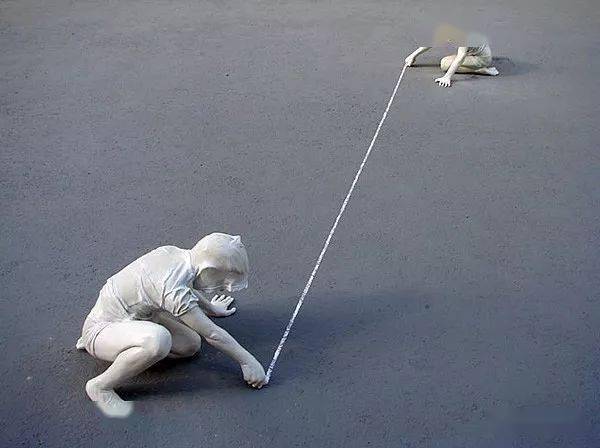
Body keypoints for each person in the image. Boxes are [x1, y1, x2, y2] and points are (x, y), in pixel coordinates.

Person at [76, 233, 266, 418]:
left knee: (190, 345)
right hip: (102, 330)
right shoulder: (172, 290)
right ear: (208, 270)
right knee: (158, 341)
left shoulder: (176, 255)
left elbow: (186, 286)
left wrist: (211, 308)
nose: (223, 287)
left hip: (138, 319)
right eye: (222, 282)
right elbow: (212, 334)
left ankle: (132, 348)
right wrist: (247, 361)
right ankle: (100, 386)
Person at [405, 30, 499, 87]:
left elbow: (460, 58)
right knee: (446, 60)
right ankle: (476, 66)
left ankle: (480, 69)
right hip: (473, 53)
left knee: (444, 65)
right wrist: (413, 55)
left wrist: (447, 77)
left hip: (481, 59)